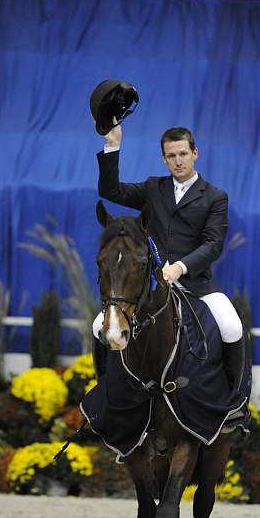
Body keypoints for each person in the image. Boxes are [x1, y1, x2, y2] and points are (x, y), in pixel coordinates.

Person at [92, 122, 244, 391]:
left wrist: (180, 268)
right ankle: (104, 390)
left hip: (197, 285)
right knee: (98, 326)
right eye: (171, 156)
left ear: (195, 153)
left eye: (183, 154)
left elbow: (213, 244)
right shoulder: (153, 188)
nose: (178, 161)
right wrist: (112, 144)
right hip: (151, 288)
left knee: (232, 326)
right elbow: (110, 191)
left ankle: (236, 401)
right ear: (164, 159)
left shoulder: (215, 197)